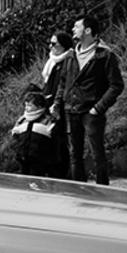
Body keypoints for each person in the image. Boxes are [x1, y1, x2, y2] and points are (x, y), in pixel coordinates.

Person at [63, 14, 124, 185]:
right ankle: (79, 191)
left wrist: (98, 108)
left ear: (88, 30)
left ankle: (102, 190)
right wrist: (60, 103)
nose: (73, 29)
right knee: (75, 155)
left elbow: (116, 85)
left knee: (97, 154)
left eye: (77, 26)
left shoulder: (104, 55)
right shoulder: (70, 54)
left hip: (91, 112)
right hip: (71, 110)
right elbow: (64, 82)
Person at [41, 30, 76, 179]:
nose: (50, 46)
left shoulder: (69, 61)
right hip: (49, 105)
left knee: (61, 142)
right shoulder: (52, 63)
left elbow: (65, 85)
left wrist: (57, 103)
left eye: (54, 43)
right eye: (50, 43)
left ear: (64, 45)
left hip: (62, 106)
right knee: (50, 140)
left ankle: (62, 174)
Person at [9, 84, 57, 176]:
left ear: (39, 106)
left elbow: (54, 142)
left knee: (36, 178)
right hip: (22, 156)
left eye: (29, 106)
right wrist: (18, 149)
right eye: (26, 105)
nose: (26, 108)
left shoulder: (48, 121)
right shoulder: (22, 120)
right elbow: (14, 135)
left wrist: (49, 158)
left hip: (39, 159)